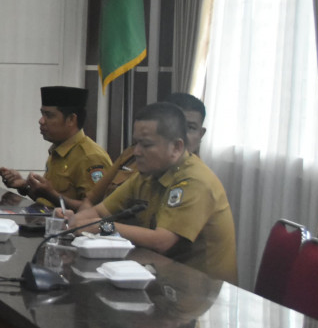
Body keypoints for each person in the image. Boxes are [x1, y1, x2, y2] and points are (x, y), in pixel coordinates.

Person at [67, 102, 237, 285]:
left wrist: (100, 226)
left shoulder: (195, 181)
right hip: (162, 278)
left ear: (176, 147)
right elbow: (99, 211)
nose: (137, 152)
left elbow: (161, 241)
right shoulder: (147, 173)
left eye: (146, 145)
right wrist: (78, 220)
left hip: (203, 292)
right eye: (136, 143)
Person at [86, 91, 208, 206]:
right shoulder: (134, 157)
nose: (182, 134)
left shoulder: (195, 178)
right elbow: (93, 201)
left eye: (190, 128)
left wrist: (98, 224)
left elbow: (164, 229)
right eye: (174, 127)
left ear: (201, 134)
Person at [0, 85, 112, 206]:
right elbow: (47, 201)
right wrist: (24, 185)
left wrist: (52, 195)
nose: (41, 121)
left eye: (49, 115)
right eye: (42, 114)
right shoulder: (58, 149)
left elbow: (96, 211)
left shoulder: (90, 157)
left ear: (71, 120)